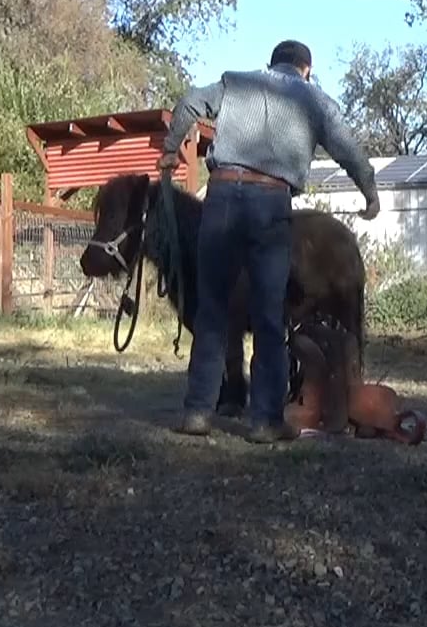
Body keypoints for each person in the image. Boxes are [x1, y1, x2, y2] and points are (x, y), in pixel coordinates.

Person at [157, 39, 381, 443]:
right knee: (267, 312)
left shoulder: (234, 83)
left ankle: (196, 413)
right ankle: (263, 420)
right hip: (270, 202)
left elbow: (189, 103)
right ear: (306, 69)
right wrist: (370, 191)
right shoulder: (314, 99)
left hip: (221, 196)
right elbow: (347, 148)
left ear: (270, 63)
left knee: (211, 309)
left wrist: (171, 150)